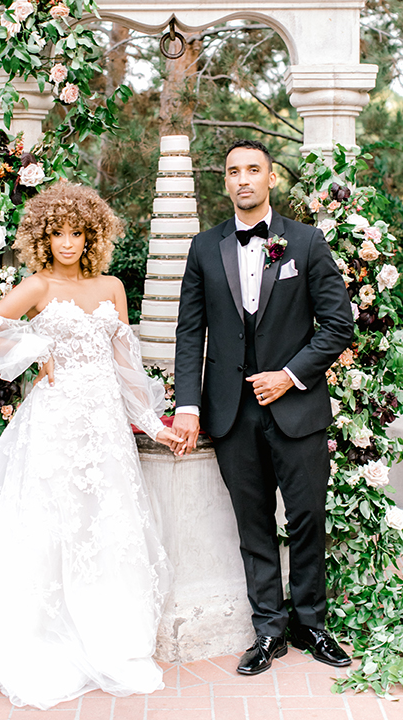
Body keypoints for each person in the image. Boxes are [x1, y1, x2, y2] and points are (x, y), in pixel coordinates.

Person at [0, 182, 185, 710]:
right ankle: (38, 638)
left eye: (79, 232)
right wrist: (34, 344)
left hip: (106, 428)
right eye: (59, 232)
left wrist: (156, 427)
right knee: (48, 527)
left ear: (93, 236)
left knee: (101, 527)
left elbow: (126, 370)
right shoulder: (37, 287)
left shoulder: (112, 287)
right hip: (54, 422)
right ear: (44, 237)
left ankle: (106, 636)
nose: (68, 242)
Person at [171, 139, 354, 675]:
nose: (243, 179)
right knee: (253, 526)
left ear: (271, 178)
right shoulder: (204, 247)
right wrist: (187, 404)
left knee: (306, 521)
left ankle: (313, 625)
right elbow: (190, 333)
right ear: (224, 182)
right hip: (230, 413)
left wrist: (291, 375)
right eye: (233, 171)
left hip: (296, 409)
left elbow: (338, 325)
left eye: (253, 170)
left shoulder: (306, 241)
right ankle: (269, 630)